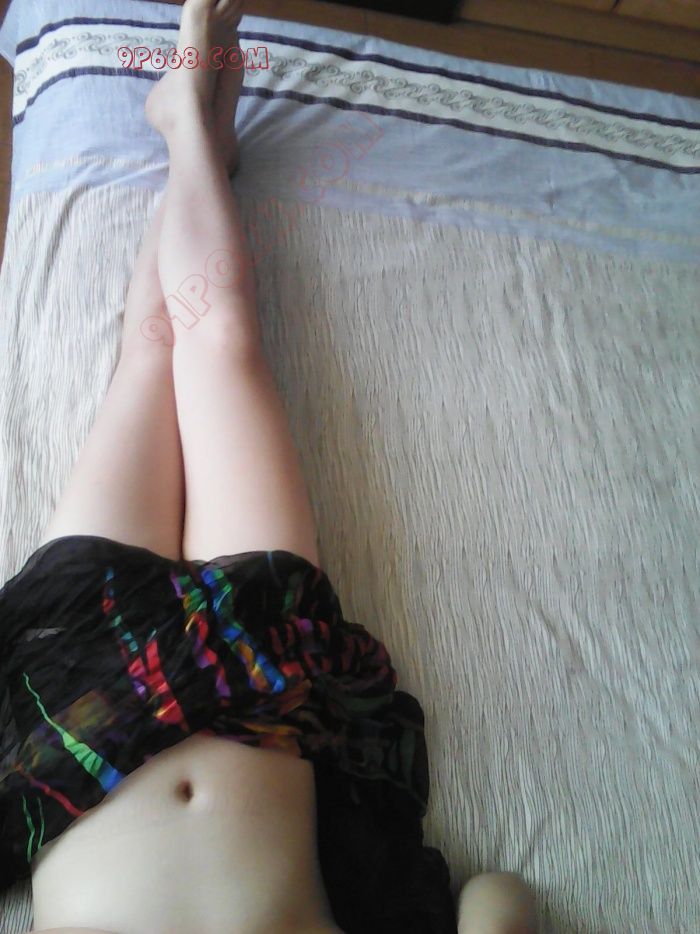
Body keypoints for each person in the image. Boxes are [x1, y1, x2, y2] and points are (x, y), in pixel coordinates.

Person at [0, 0, 537, 931]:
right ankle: (193, 137)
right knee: (220, 342)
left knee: (151, 354)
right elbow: (500, 897)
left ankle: (192, 137)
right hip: (261, 664)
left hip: (81, 677)